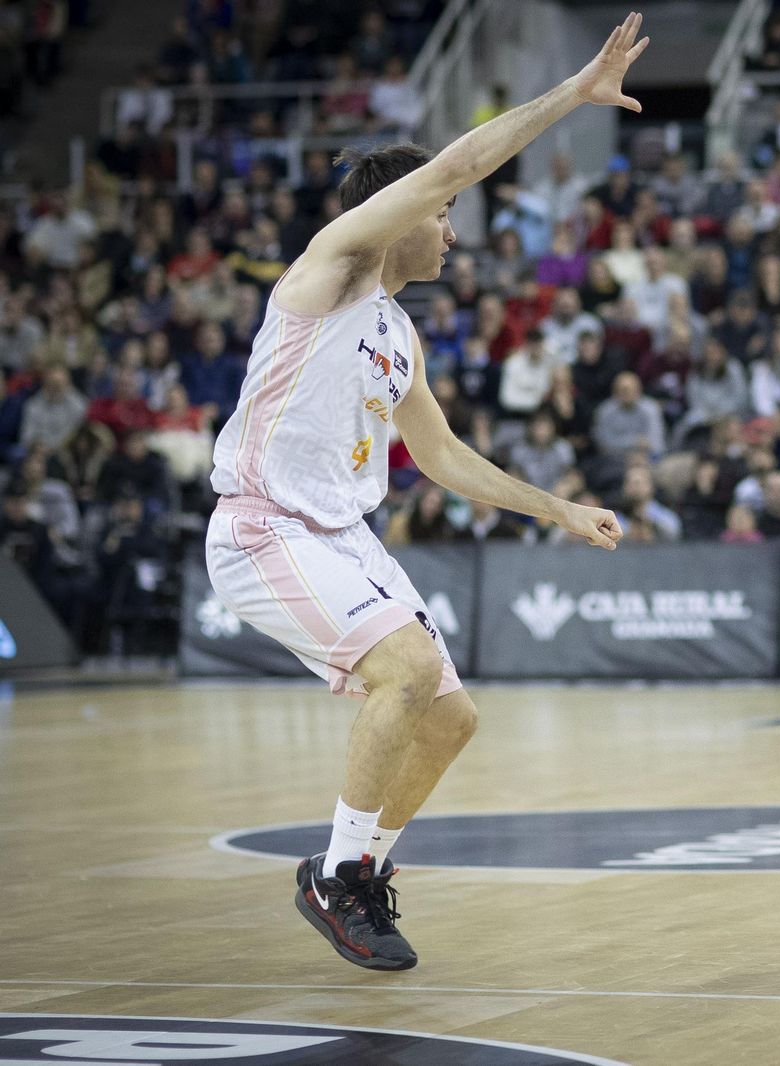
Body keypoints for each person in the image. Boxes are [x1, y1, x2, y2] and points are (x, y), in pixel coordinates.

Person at [203, 13, 647, 973]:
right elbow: (448, 170)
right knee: (402, 673)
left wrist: (557, 507)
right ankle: (337, 878)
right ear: (402, 211)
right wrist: (572, 95)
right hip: (263, 528)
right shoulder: (330, 272)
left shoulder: (397, 334)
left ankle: (352, 869)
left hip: (341, 537)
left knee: (451, 718)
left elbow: (442, 457)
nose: (452, 229)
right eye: (441, 215)